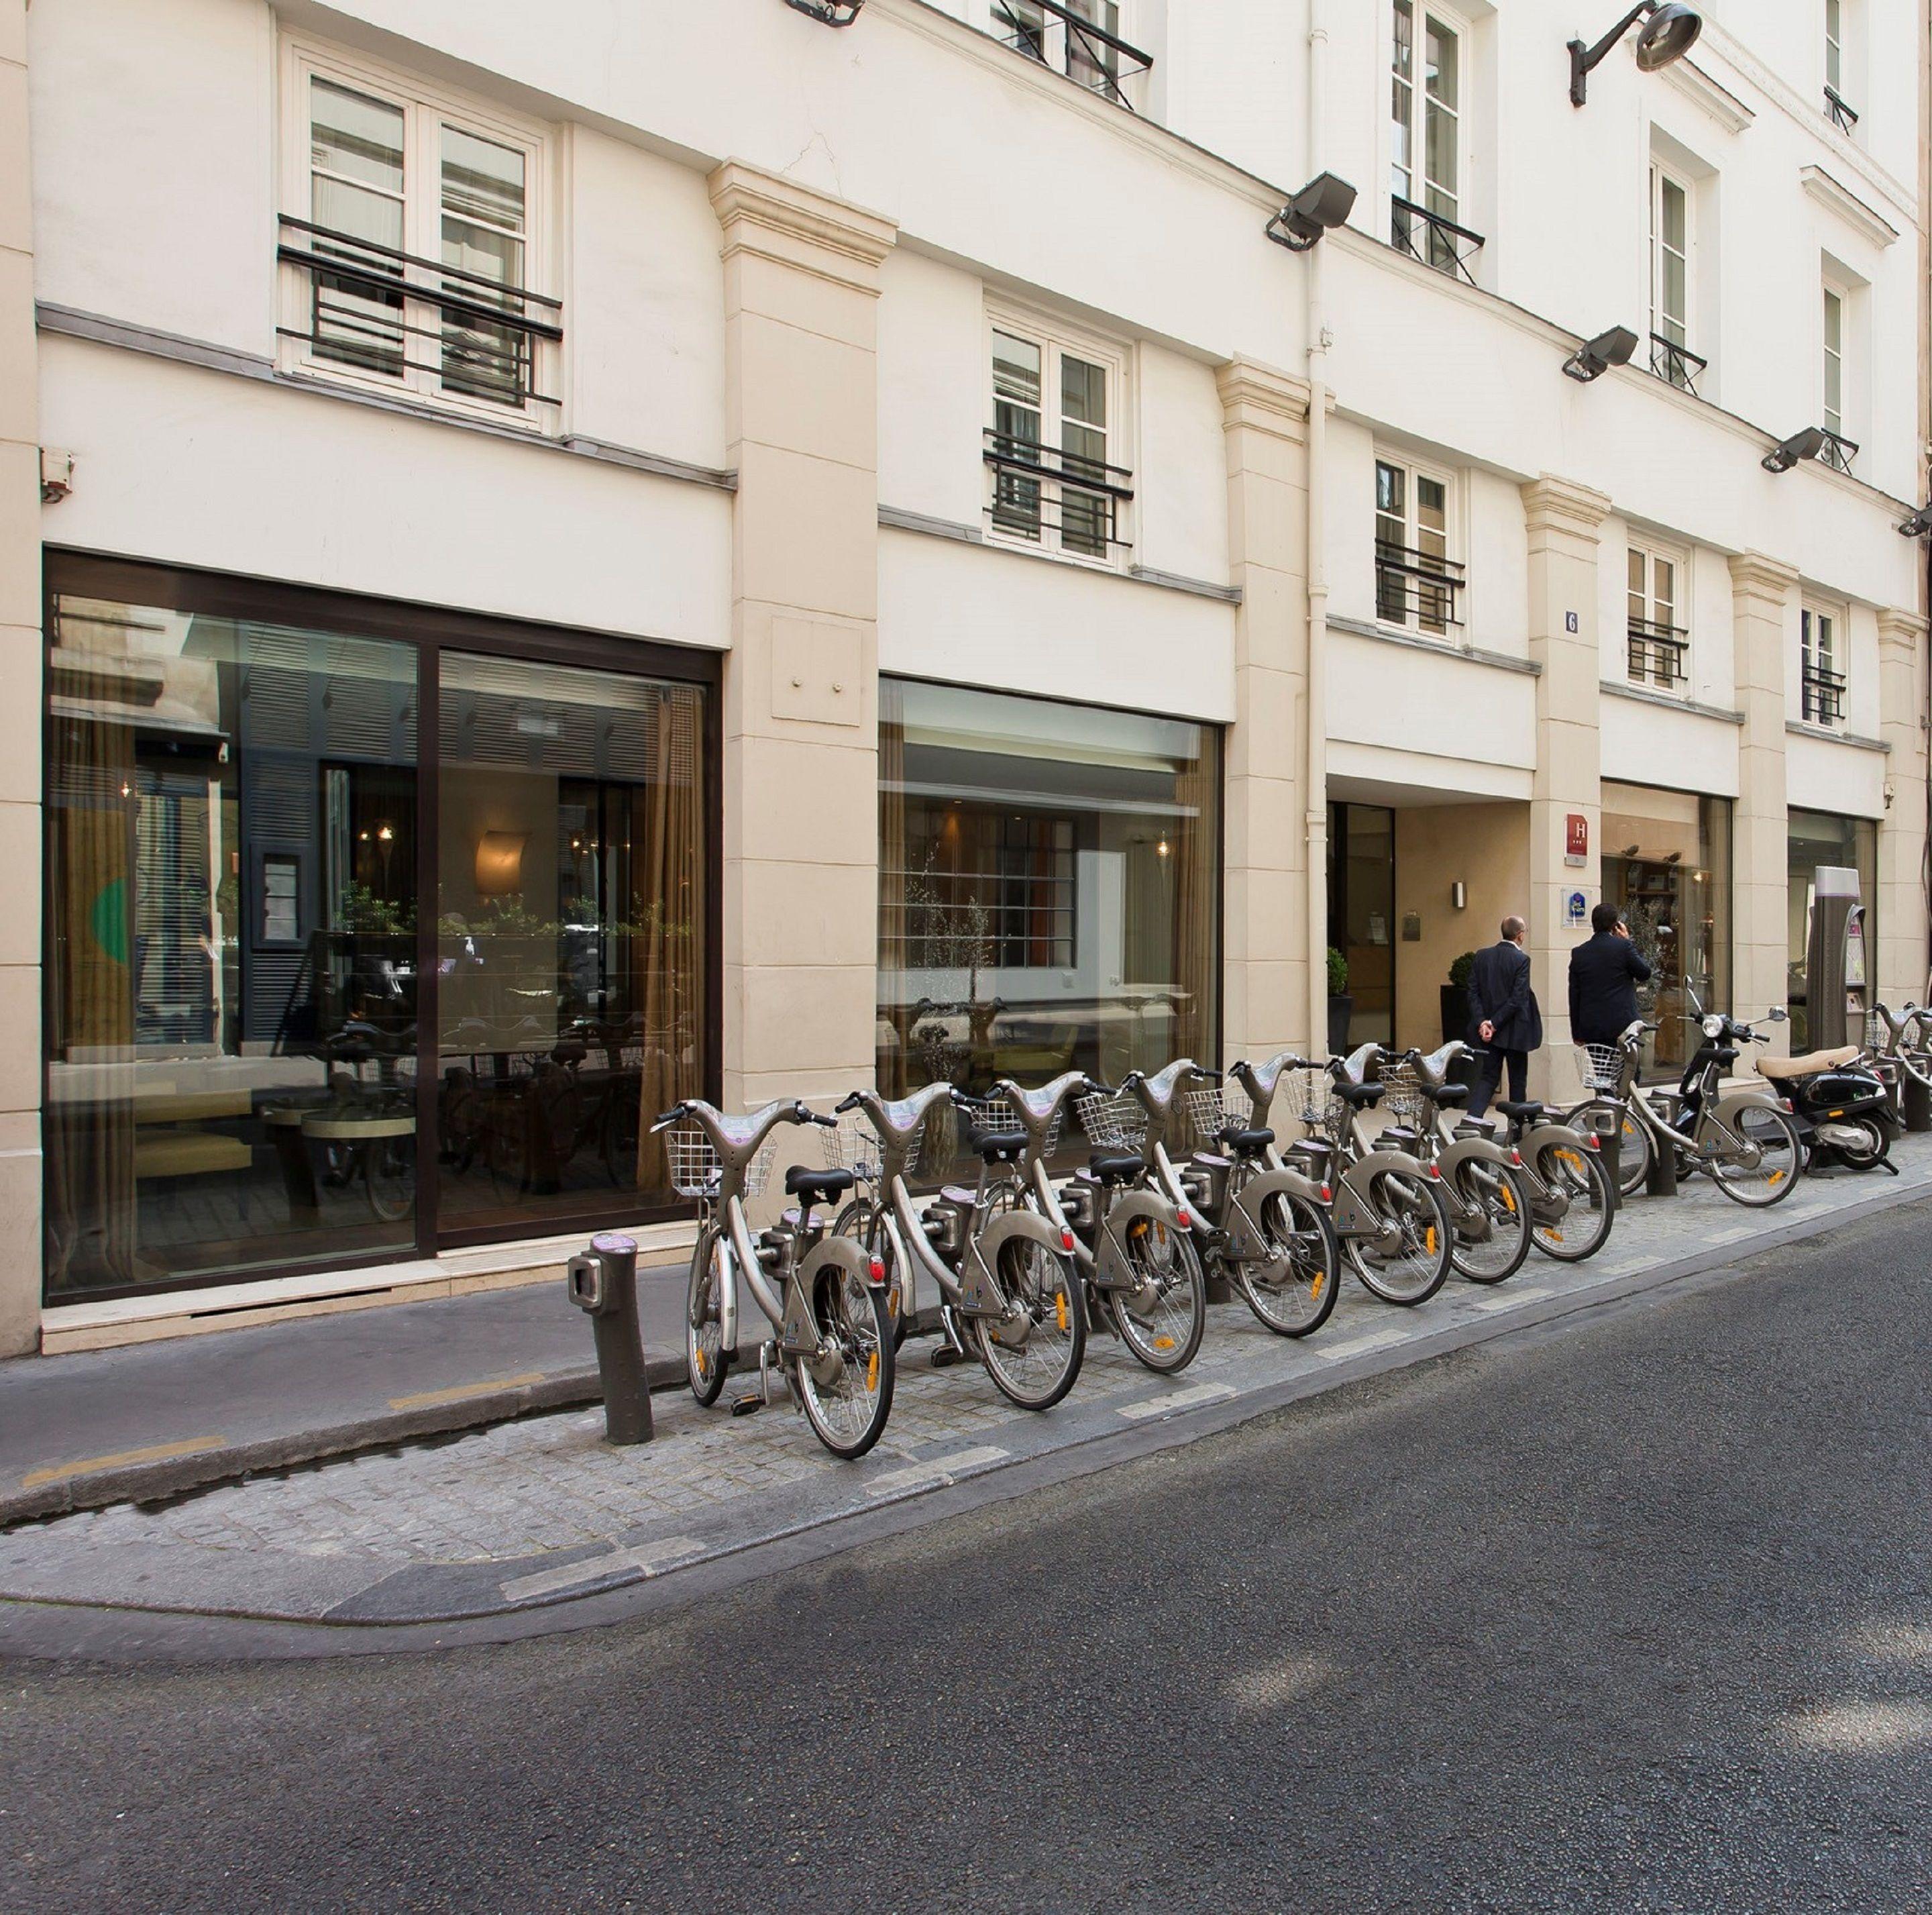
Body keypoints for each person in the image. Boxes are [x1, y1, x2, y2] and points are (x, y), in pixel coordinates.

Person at [1466, 915, 1542, 1119]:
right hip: (1515, 1031)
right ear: (1520, 935)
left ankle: (1471, 1123)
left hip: (1488, 1033)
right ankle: (1517, 1130)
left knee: (1488, 1078)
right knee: (1518, 1081)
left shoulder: (1482, 956)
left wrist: (1483, 1022)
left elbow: (1472, 992)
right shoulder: (1522, 960)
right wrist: (1493, 1023)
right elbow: (1518, 999)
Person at [1568, 900, 1654, 1047]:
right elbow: (1644, 973)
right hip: (1622, 1028)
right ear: (1615, 925)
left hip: (1592, 1028)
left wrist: (1576, 1032)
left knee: (1601, 1069)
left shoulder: (1579, 953)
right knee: (1626, 1069)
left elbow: (1574, 996)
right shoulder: (1623, 947)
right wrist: (1627, 941)